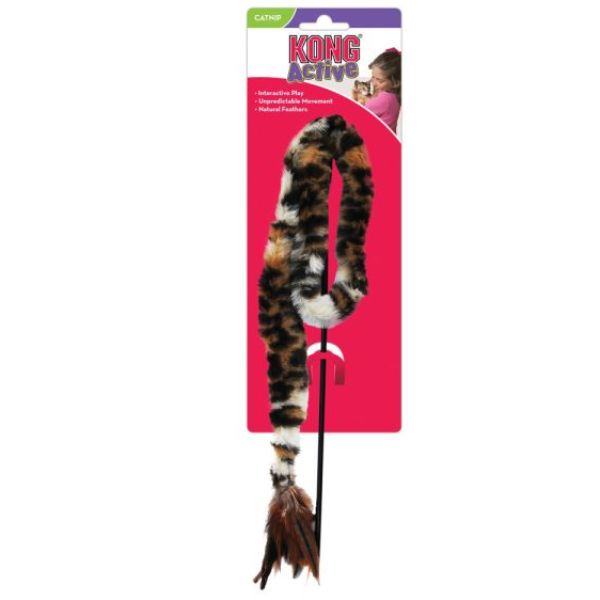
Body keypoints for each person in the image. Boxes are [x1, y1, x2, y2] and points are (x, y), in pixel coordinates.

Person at [364, 48, 401, 133]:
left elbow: (358, 115)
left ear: (396, 82)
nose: (374, 83)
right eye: (373, 77)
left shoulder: (384, 99)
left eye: (379, 80)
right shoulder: (394, 96)